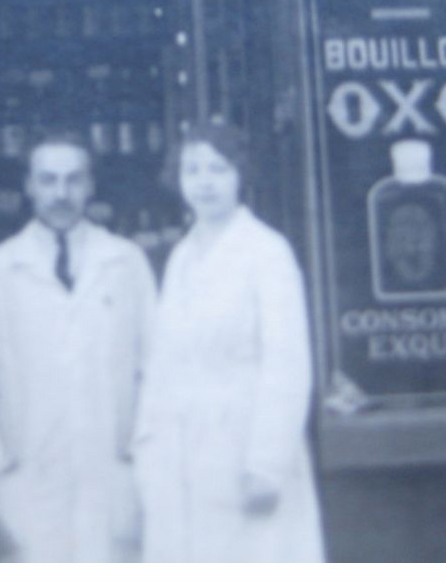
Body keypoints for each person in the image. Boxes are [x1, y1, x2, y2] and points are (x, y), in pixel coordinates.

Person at [133, 122, 325, 561]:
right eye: (192, 170)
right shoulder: (181, 257)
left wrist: (266, 463)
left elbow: (287, 363)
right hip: (184, 448)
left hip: (245, 441)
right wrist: (149, 447)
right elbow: (163, 362)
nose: (204, 182)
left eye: (218, 169)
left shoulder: (266, 252)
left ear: (241, 175)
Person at [0, 130, 156, 562]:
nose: (61, 193)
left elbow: (156, 373)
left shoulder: (127, 264)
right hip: (27, 479)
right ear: (28, 185)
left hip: (113, 478)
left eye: (73, 180)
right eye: (48, 180)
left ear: (91, 185)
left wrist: (143, 460)